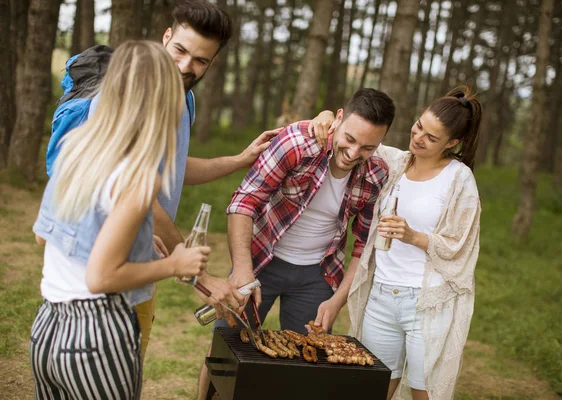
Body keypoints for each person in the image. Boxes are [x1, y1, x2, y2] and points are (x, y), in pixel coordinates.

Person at [46, 0, 278, 360]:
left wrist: (240, 159)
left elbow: (171, 169)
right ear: (166, 36)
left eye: (200, 60)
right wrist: (200, 278)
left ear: (213, 62)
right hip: (103, 276)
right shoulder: (128, 98)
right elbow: (140, 197)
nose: (186, 66)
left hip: (139, 269)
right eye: (180, 51)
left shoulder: (184, 99)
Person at [29, 40, 226, 399]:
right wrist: (175, 263)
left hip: (46, 330)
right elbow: (101, 276)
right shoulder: (137, 175)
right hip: (97, 340)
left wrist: (120, 234)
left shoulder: (77, 147)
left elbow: (44, 237)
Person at [196, 88, 395, 398]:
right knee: (226, 352)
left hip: (318, 276)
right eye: (350, 140)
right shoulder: (296, 144)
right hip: (260, 261)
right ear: (338, 118)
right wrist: (242, 271)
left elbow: (362, 245)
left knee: (306, 370)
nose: (354, 154)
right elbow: (244, 202)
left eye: (368, 147)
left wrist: (336, 300)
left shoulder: (377, 173)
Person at [342, 87, 482, 400]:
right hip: (381, 296)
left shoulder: (459, 179)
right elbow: (354, 137)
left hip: (425, 303)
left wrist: (413, 236)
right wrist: (326, 117)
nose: (418, 138)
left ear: (453, 142)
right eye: (419, 126)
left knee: (424, 391)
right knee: (375, 386)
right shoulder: (397, 163)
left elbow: (461, 246)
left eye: (432, 138)